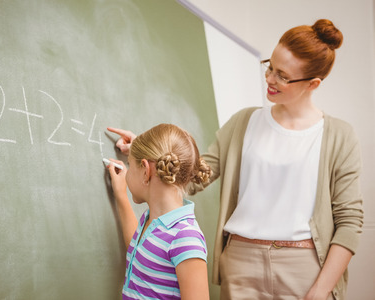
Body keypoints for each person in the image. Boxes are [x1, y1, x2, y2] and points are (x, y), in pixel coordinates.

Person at [107, 19, 364, 300]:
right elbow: (190, 176)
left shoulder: (339, 135)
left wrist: (320, 290)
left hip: (304, 268)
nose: (269, 79)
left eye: (282, 75)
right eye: (269, 67)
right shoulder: (245, 122)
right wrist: (146, 153)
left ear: (313, 83)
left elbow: (349, 222)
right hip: (241, 264)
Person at [105, 123, 212, 300]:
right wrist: (121, 196)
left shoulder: (185, 237)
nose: (127, 171)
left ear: (146, 171)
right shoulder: (151, 219)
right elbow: (140, 252)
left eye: (130, 165)